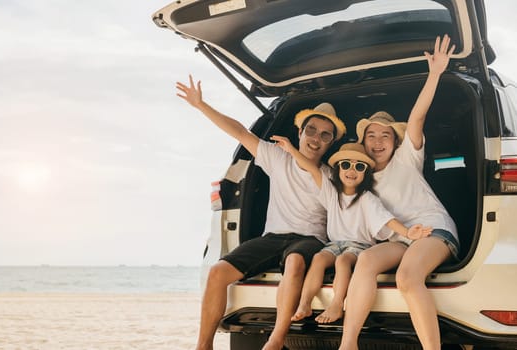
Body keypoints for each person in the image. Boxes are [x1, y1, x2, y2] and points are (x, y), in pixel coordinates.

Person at [175, 74, 346, 350]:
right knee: (217, 272)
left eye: (325, 135)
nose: (316, 138)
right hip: (273, 237)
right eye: (311, 130)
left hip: (310, 240)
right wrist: (201, 105)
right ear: (300, 132)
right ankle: (203, 345)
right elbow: (241, 133)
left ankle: (276, 340)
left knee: (294, 263)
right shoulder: (278, 158)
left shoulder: (329, 175)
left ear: (330, 144)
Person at [338, 34, 461, 350]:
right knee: (365, 260)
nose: (378, 141)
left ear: (396, 142)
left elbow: (418, 116)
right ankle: (348, 343)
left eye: (385, 136)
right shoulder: (360, 178)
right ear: (363, 142)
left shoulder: (407, 158)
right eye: (371, 136)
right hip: (401, 237)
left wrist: (434, 73)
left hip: (434, 231)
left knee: (406, 279)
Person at [268, 141, 431, 338]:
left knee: (343, 261)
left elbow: (387, 219)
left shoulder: (367, 198)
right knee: (319, 259)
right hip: (334, 244)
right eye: (346, 165)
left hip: (359, 246)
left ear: (365, 174)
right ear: (337, 169)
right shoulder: (330, 193)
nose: (351, 170)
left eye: (359, 166)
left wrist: (407, 233)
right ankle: (304, 303)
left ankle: (337, 304)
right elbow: (312, 168)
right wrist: (291, 150)